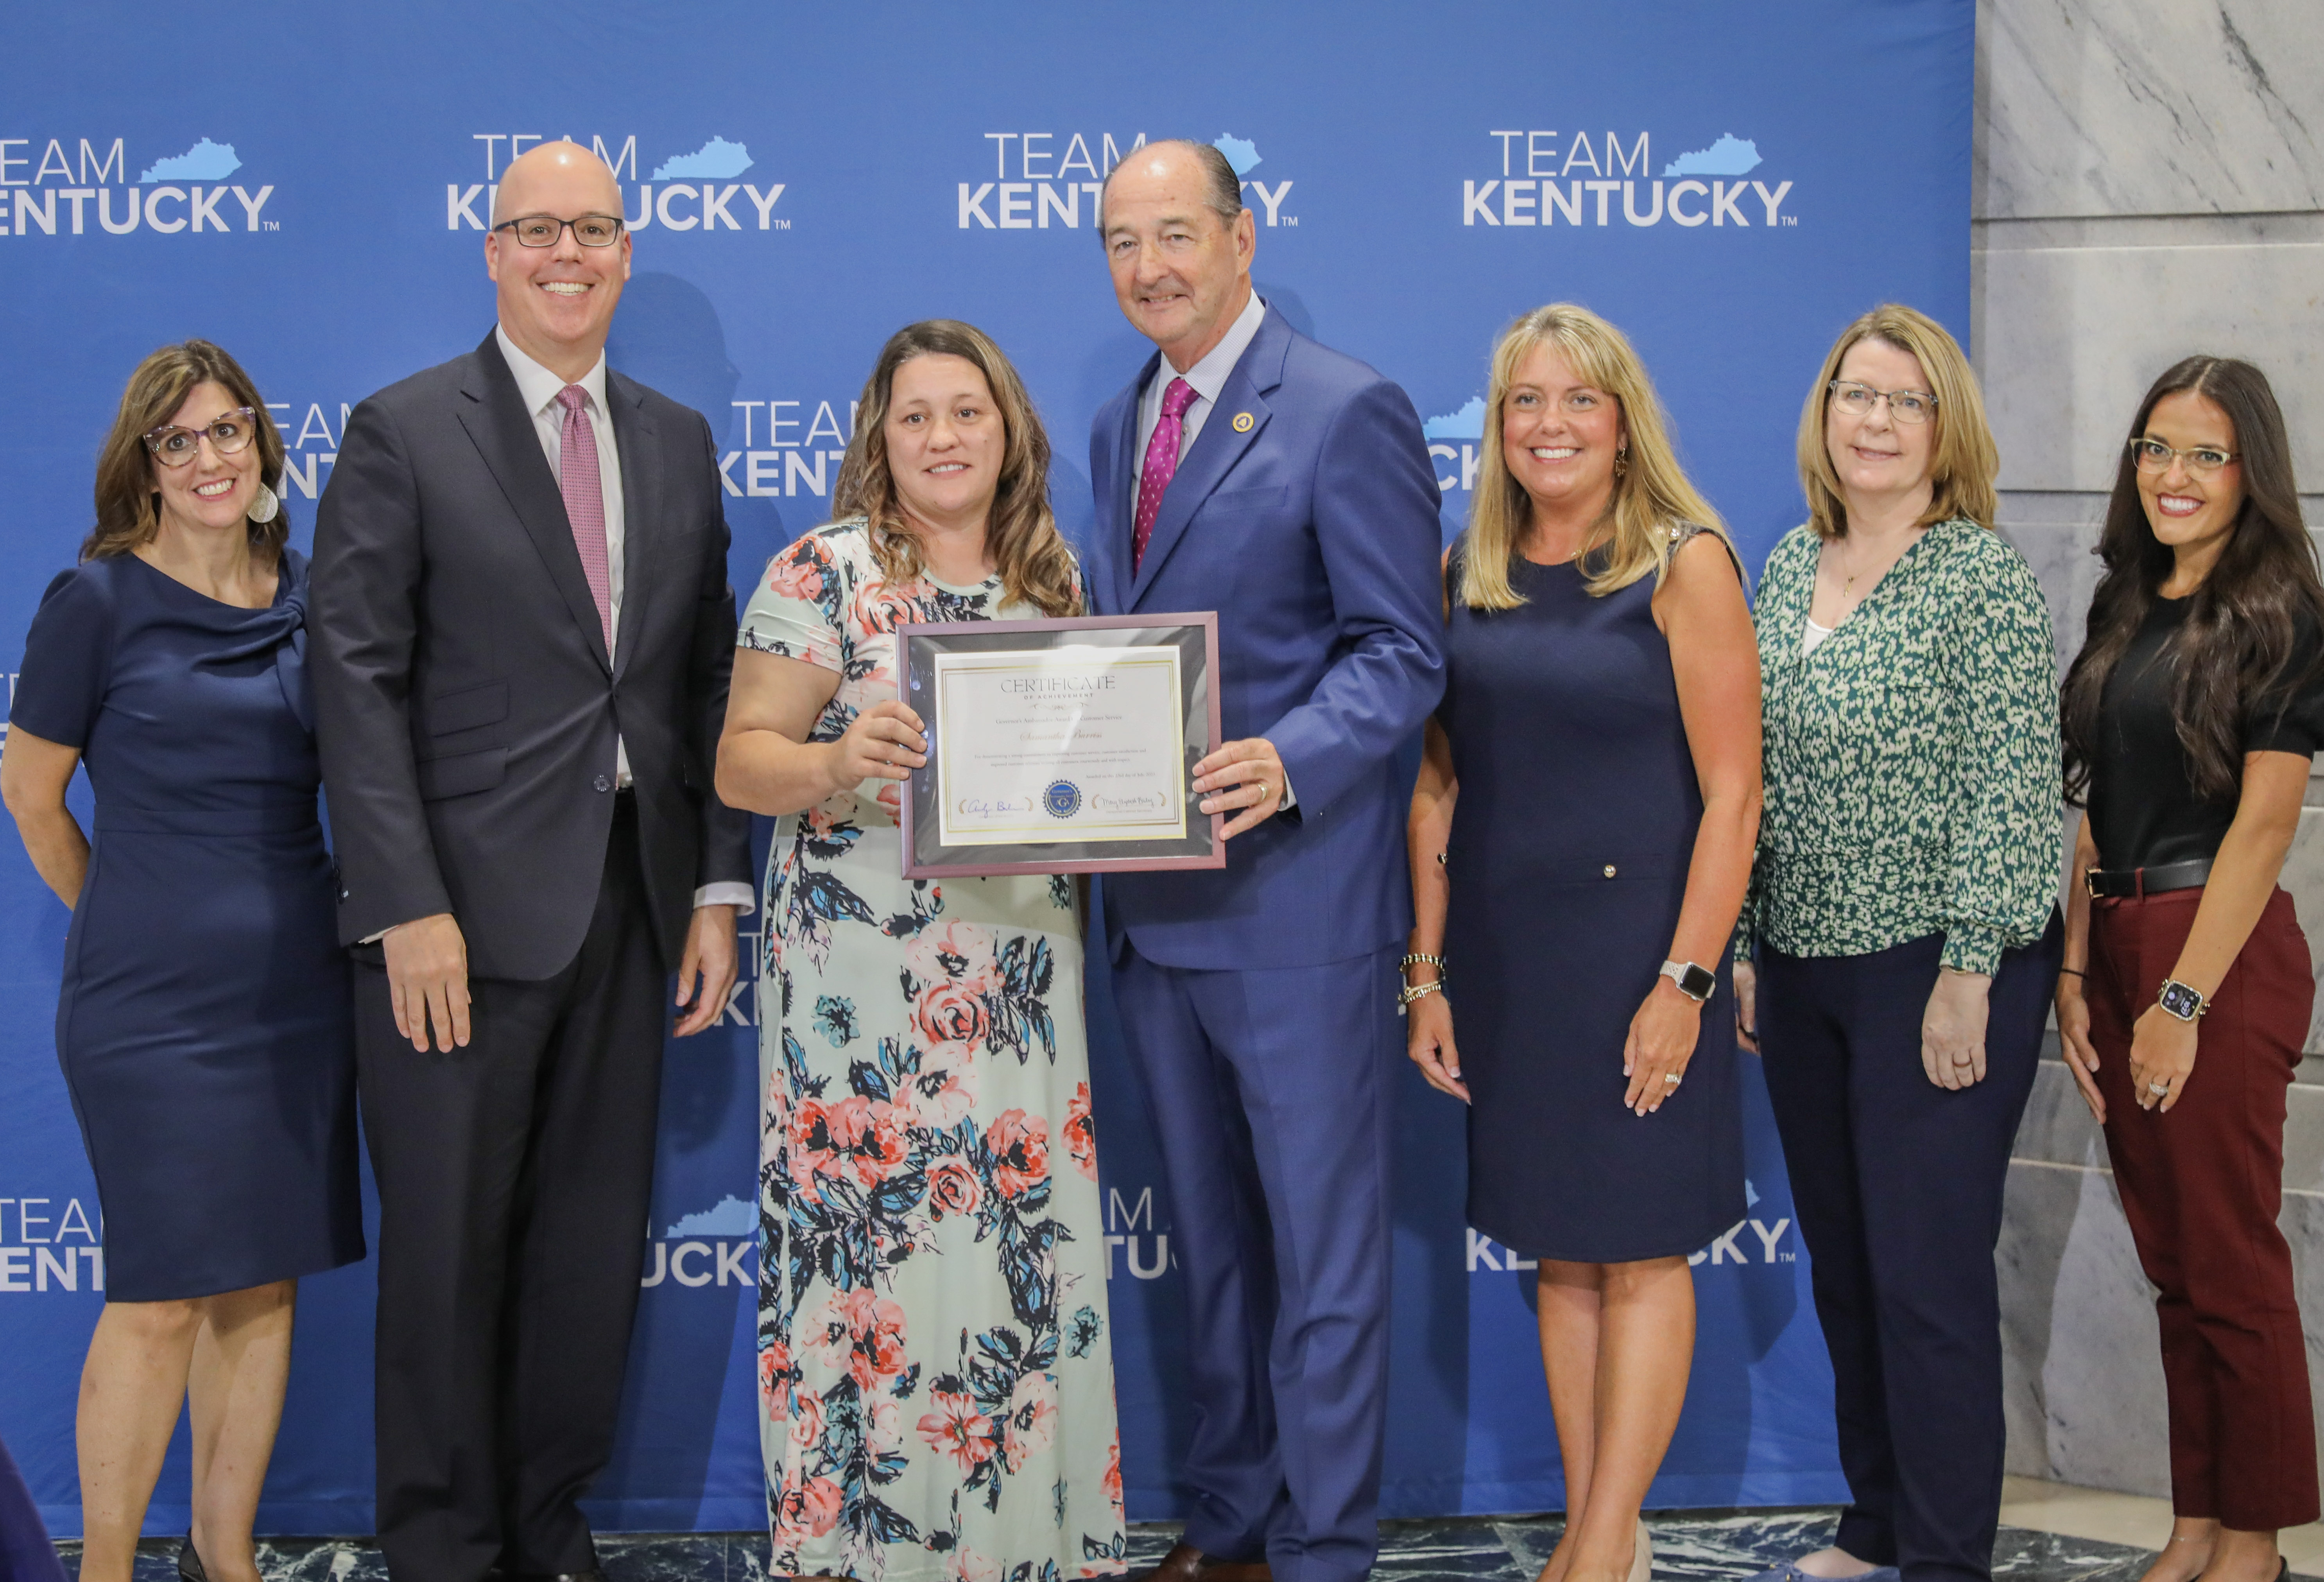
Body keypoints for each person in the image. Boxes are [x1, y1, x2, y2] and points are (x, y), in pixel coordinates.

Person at [310, 140, 752, 1582]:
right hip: (456, 926)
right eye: (538, 230)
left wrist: (710, 886)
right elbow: (354, 683)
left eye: (595, 229)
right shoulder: (403, 429)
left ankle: (549, 1528)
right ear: (492, 252)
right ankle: (443, 1546)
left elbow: (699, 684)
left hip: (631, 907)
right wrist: (404, 907)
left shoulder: (677, 437)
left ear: (626, 252)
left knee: (582, 1254)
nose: (569, 254)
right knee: (444, 1260)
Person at [1085, 140, 1446, 1582]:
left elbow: (1399, 651)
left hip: (1295, 910)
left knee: (1325, 1260)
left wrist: (1289, 759)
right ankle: (1228, 1519)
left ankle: (1322, 1548)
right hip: (1152, 916)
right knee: (1213, 1254)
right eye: (1121, 242)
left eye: (1175, 233)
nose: (1149, 266)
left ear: (1242, 236)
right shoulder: (1119, 425)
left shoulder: (1345, 407)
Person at [716, 318, 1127, 1582]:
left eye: (967, 412)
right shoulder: (820, 571)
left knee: (1012, 1243)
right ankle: (865, 1552)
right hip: (861, 981)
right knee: (874, 1249)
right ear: (877, 437)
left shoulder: (1055, 579)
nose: (943, 437)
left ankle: (1021, 1548)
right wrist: (839, 760)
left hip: (1014, 975)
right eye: (915, 416)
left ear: (1009, 430)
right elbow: (740, 760)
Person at [1404, 304, 1760, 1582]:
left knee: (1641, 1247)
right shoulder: (1464, 574)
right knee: (1560, 1247)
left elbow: (1735, 795)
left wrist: (1685, 982)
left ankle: (1608, 1543)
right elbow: (1434, 790)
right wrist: (1426, 974)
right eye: (1523, 403)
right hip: (1509, 964)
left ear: (1622, 424)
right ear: (1497, 430)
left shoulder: (1682, 562)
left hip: (1639, 957)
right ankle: (1589, 1524)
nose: (1548, 426)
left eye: (1576, 402)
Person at [0, 341, 363, 1582]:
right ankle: (105, 1567)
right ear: (143, 466)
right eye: (179, 439)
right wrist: (127, 911)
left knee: (262, 1286)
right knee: (157, 1290)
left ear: (262, 448)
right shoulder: (94, 603)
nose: (209, 457)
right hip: (149, 1012)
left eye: (228, 432)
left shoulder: (315, 594)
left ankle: (228, 1554)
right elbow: (32, 793)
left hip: (295, 998)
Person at [1735, 304, 2062, 1582]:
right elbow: (1752, 774)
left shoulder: (1975, 575)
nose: (1874, 421)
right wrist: (1753, 943)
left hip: (1938, 964)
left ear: (1945, 429)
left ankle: (1940, 1554)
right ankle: (1873, 1523)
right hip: (1804, 967)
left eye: (1904, 402)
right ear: (1823, 415)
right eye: (1855, 396)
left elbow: (2011, 782)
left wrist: (1969, 969)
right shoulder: (1779, 565)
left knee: (1924, 1281)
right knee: (1848, 1266)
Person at [2054, 356, 2319, 1582]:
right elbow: (2092, 801)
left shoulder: (2282, 615)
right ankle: (2198, 1524)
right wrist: (2071, 968)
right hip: (2112, 942)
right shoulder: (2128, 601)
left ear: (2249, 473)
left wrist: (2177, 1000)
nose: (2173, 475)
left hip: (2207, 951)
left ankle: (2255, 1542)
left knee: (2227, 1258)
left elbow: (2265, 824)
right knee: (2172, 1264)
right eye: (2156, 447)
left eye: (2206, 454)